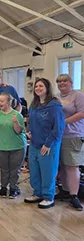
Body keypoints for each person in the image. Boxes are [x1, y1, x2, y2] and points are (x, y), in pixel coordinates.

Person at [24, 78, 65, 209]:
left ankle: (48, 197)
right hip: (35, 144)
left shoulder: (54, 105)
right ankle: (38, 193)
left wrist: (48, 144)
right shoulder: (34, 105)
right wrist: (29, 131)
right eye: (36, 86)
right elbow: (30, 122)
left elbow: (58, 128)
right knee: (34, 170)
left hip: (49, 145)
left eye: (41, 86)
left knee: (48, 171)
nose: (38, 88)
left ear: (47, 88)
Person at [55, 74, 83, 211]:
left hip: (73, 134)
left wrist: (63, 122)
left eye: (64, 80)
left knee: (72, 165)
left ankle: (74, 196)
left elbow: (82, 113)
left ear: (71, 82)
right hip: (57, 135)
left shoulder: (77, 96)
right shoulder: (55, 97)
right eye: (59, 81)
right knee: (61, 165)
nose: (62, 83)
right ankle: (64, 190)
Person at [0, 93, 27, 198]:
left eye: (2, 101)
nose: (0, 103)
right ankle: (3, 187)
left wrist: (15, 122)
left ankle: (13, 188)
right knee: (4, 168)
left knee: (14, 169)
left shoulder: (17, 115)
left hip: (17, 146)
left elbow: (18, 131)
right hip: (1, 145)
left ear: (9, 102)